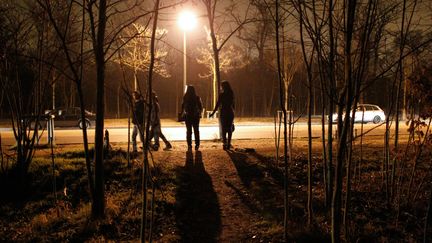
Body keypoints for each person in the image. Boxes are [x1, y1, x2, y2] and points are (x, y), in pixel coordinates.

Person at [210, 80, 235, 150]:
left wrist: (213, 113)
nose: (221, 87)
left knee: (223, 128)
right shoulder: (231, 93)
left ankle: (224, 143)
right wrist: (233, 113)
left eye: (221, 86)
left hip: (224, 112)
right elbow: (233, 104)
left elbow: (217, 104)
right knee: (229, 128)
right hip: (230, 112)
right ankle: (229, 143)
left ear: (223, 87)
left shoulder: (222, 95)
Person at [182, 85, 203, 151]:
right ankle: (197, 145)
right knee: (196, 130)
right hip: (195, 116)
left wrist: (182, 113)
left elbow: (183, 106)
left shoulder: (185, 97)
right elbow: (200, 107)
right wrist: (199, 113)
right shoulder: (197, 98)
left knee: (189, 131)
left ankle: (189, 145)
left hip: (188, 116)